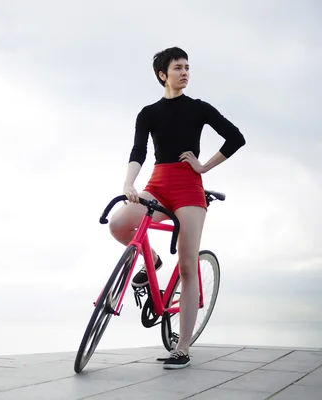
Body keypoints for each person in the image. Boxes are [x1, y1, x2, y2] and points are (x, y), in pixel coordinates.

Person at [108, 47, 245, 369]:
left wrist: (204, 167)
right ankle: (151, 260)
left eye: (187, 67)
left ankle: (181, 347)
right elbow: (138, 150)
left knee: (186, 266)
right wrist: (129, 184)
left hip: (188, 188)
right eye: (178, 68)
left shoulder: (199, 108)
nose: (184, 72)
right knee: (119, 224)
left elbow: (236, 138)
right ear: (162, 75)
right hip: (157, 183)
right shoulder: (148, 112)